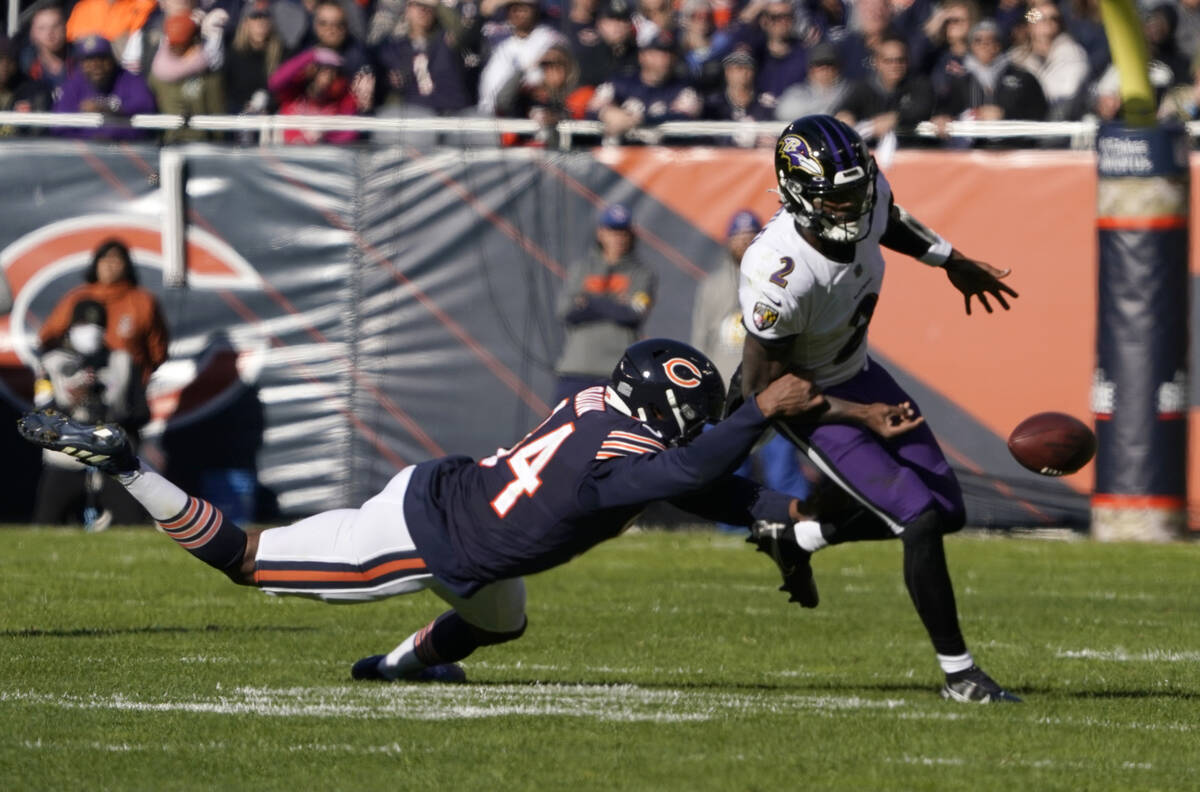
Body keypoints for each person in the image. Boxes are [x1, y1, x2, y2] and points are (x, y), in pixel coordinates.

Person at [16, 339, 916, 681]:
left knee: (501, 621)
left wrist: (793, 520)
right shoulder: (614, 469)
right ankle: (129, 465)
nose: (700, 424)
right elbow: (698, 470)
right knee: (248, 560)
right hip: (430, 537)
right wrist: (761, 421)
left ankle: (399, 667)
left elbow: (705, 478)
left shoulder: (599, 412)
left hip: (461, 507)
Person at [735, 114, 1020, 703]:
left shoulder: (864, 195)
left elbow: (887, 217)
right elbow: (766, 392)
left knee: (946, 511)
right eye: (838, 200)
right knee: (916, 516)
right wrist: (859, 416)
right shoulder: (778, 271)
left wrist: (951, 260)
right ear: (797, 192)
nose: (853, 208)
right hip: (805, 397)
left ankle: (797, 539)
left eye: (857, 191)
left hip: (860, 372)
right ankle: (960, 675)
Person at [692, 210, 810, 501]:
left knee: (782, 465)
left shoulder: (780, 281)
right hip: (725, 393)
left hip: (770, 388)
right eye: (738, 237)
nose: (744, 243)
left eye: (750, 237)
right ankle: (730, 529)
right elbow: (700, 340)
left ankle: (798, 523)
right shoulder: (712, 285)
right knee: (728, 466)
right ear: (727, 241)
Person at [31, 299, 146, 528]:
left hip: (110, 457)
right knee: (45, 523)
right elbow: (42, 413)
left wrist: (111, 416)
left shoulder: (121, 361)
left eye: (98, 325)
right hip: (66, 457)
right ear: (72, 327)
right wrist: (72, 401)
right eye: (84, 323)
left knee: (132, 523)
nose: (91, 331)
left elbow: (141, 413)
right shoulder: (51, 363)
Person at [38, 238, 169, 391]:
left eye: (116, 259)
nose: (109, 265)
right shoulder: (76, 299)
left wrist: (137, 375)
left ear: (127, 265)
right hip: (81, 388)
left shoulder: (143, 301)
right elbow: (49, 337)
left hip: (128, 390)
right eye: (104, 259)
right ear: (96, 264)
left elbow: (157, 350)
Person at [553, 204, 655, 401]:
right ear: (600, 233)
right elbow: (565, 311)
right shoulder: (581, 269)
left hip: (617, 373)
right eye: (612, 231)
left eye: (623, 232)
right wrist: (615, 304)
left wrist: (589, 302)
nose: (618, 238)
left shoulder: (643, 273)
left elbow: (634, 313)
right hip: (575, 370)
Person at [933, 19, 1047, 125]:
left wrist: (1005, 115)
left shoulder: (1023, 78)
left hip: (1010, 143)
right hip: (970, 143)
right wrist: (944, 119)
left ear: (1000, 44)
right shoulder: (959, 80)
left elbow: (1039, 114)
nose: (985, 44)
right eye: (978, 40)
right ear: (971, 45)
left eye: (992, 39)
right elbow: (945, 111)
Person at [52, 35, 158, 140]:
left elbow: (146, 107)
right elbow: (60, 127)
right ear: (81, 64)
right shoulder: (72, 86)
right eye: (89, 60)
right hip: (82, 150)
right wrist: (91, 138)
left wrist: (109, 109)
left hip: (127, 149)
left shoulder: (130, 80)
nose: (96, 65)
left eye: (102, 59)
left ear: (112, 60)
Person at [835, 34, 935, 144]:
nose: (895, 65)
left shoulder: (920, 84)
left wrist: (896, 118)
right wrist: (845, 116)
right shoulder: (863, 88)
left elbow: (923, 108)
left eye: (900, 60)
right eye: (888, 61)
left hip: (911, 149)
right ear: (877, 63)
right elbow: (844, 110)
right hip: (871, 150)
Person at [147, 12, 226, 142]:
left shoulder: (208, 75)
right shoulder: (157, 75)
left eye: (182, 42)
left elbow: (216, 112)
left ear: (194, 40)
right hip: (169, 143)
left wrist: (217, 144)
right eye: (173, 42)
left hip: (202, 145)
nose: (176, 47)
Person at [224, 0, 285, 116]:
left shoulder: (281, 53)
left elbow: (284, 89)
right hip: (239, 116)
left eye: (265, 17)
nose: (260, 23)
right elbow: (225, 90)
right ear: (245, 23)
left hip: (270, 116)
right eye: (255, 17)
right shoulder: (233, 53)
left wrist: (269, 103)